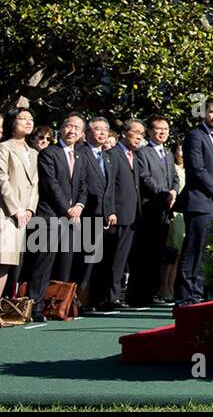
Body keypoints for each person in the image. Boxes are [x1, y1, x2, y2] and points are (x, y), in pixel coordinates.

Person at [27, 115, 89, 320]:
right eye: (68, 126)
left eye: (77, 128)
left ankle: (57, 306)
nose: (72, 130)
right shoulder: (48, 153)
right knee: (43, 264)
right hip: (49, 216)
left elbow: (83, 185)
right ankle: (34, 307)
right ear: (61, 129)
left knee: (65, 264)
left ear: (81, 134)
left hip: (71, 219)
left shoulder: (80, 156)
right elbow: (51, 185)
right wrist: (67, 208)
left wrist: (79, 205)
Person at [175, 97, 213, 306]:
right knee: (193, 250)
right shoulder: (195, 136)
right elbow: (197, 170)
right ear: (204, 113)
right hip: (200, 203)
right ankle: (184, 297)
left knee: (208, 253)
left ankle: (200, 295)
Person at [129, 114, 179, 307]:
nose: (162, 132)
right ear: (150, 131)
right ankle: (138, 295)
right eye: (158, 129)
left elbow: (174, 176)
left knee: (158, 253)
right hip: (148, 209)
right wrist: (164, 193)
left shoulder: (167, 153)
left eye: (165, 129)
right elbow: (145, 177)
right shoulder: (143, 152)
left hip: (165, 210)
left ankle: (151, 292)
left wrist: (173, 191)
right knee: (144, 254)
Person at [94, 119, 144, 311]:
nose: (139, 136)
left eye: (142, 133)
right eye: (135, 132)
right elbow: (108, 187)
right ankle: (107, 298)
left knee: (121, 260)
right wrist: (110, 210)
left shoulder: (134, 156)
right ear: (124, 133)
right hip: (117, 215)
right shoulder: (112, 155)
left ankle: (113, 296)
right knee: (112, 259)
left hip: (132, 215)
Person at [75, 116, 118, 296]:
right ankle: (76, 298)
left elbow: (110, 188)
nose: (101, 133)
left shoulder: (108, 157)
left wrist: (111, 211)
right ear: (87, 133)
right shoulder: (80, 152)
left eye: (104, 130)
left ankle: (91, 298)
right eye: (97, 129)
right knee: (82, 259)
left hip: (103, 215)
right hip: (85, 212)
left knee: (98, 259)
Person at [0, 108, 39, 300]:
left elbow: (35, 184)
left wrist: (30, 208)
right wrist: (16, 209)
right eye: (22, 118)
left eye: (30, 119)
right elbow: (2, 180)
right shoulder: (4, 147)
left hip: (24, 215)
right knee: (3, 261)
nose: (28, 122)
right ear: (11, 123)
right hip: (6, 213)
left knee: (13, 263)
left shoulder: (33, 152)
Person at [157, 143, 186, 304]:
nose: (182, 153)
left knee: (179, 254)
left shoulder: (188, 169)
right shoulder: (172, 168)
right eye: (180, 149)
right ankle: (163, 286)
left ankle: (171, 286)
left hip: (184, 213)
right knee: (170, 252)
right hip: (172, 211)